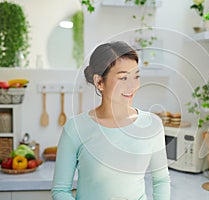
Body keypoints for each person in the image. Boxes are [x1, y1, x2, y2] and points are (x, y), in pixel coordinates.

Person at [51, 41, 171, 200]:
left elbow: (161, 180)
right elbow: (60, 191)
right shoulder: (75, 128)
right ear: (99, 82)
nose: (132, 85)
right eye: (123, 78)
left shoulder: (152, 125)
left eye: (136, 76)